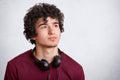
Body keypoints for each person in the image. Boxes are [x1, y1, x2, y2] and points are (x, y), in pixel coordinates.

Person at [4, 3, 85, 80]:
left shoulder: (76, 70)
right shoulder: (15, 67)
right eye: (44, 26)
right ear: (32, 34)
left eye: (55, 25)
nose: (52, 31)